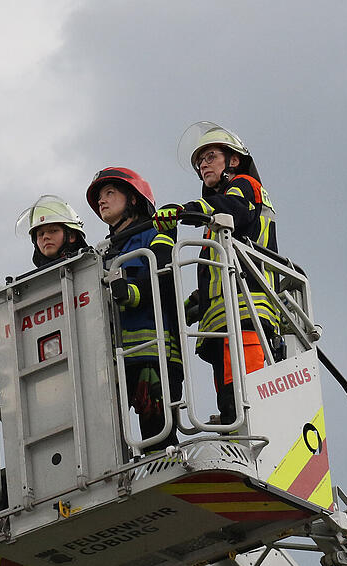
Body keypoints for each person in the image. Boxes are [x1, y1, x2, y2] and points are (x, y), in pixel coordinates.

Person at [152, 122, 279, 427]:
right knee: (229, 397)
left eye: (209, 157)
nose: (202, 165)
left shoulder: (244, 186)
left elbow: (235, 208)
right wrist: (194, 303)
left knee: (245, 396)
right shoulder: (217, 219)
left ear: (232, 160)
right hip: (223, 319)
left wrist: (186, 210)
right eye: (199, 162)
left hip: (247, 310)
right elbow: (217, 271)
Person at [86, 167, 181, 452]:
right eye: (100, 196)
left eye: (110, 193)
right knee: (108, 445)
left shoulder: (154, 232)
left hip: (155, 355)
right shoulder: (101, 253)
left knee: (158, 441)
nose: (102, 201)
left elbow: (161, 275)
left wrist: (132, 291)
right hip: (116, 360)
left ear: (135, 199)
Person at [16, 195, 89, 267]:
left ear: (71, 236)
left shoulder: (93, 266)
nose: (45, 237)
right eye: (41, 234)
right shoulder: (39, 278)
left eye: (53, 231)